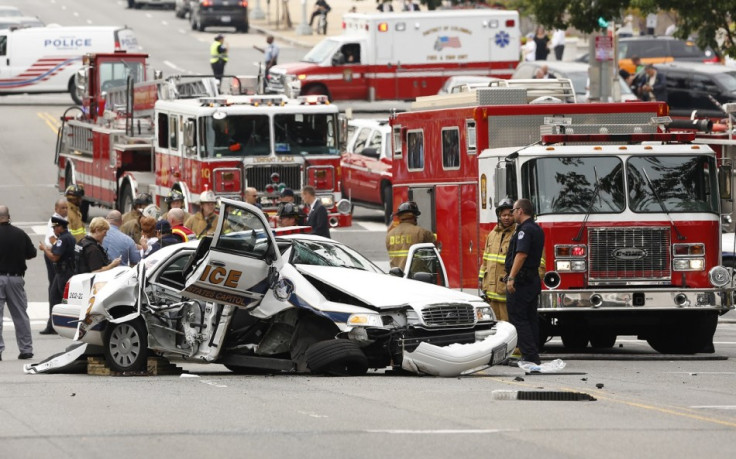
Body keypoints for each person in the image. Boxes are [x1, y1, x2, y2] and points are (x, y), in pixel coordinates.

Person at [505, 199, 545, 365]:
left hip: (522, 281)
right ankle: (533, 354)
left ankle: (529, 356)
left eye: (513, 211)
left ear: (520, 211)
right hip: (532, 280)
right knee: (530, 318)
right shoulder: (536, 228)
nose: (512, 214)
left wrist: (511, 277)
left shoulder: (525, 230)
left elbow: (521, 254)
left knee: (519, 318)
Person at [0, 205, 36, 359]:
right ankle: (26, 349)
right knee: (20, 315)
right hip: (16, 278)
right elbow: (32, 253)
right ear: (9, 216)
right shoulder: (20, 234)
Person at [478, 198, 515, 322]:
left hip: (506, 293)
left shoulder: (517, 234)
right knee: (494, 327)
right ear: (499, 215)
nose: (506, 217)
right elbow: (485, 260)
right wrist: (481, 280)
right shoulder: (492, 235)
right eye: (504, 215)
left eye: (510, 214)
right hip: (491, 293)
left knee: (508, 327)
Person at [38, 215, 76, 335]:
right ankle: (53, 325)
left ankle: (63, 326)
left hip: (63, 273)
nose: (54, 230)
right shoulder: (69, 237)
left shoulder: (62, 239)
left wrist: (44, 249)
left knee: (62, 299)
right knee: (54, 296)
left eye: (55, 227)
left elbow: (55, 257)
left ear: (60, 227)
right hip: (65, 271)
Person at [385, 201, 435, 270]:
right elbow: (434, 241)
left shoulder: (390, 234)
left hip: (396, 276)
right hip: (415, 276)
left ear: (400, 217)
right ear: (414, 217)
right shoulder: (420, 232)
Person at [42, 198, 68, 317]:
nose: (65, 210)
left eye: (66, 207)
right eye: (63, 208)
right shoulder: (54, 220)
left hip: (59, 254)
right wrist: (61, 248)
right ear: (56, 209)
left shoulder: (64, 219)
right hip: (53, 255)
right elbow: (52, 239)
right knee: (54, 285)